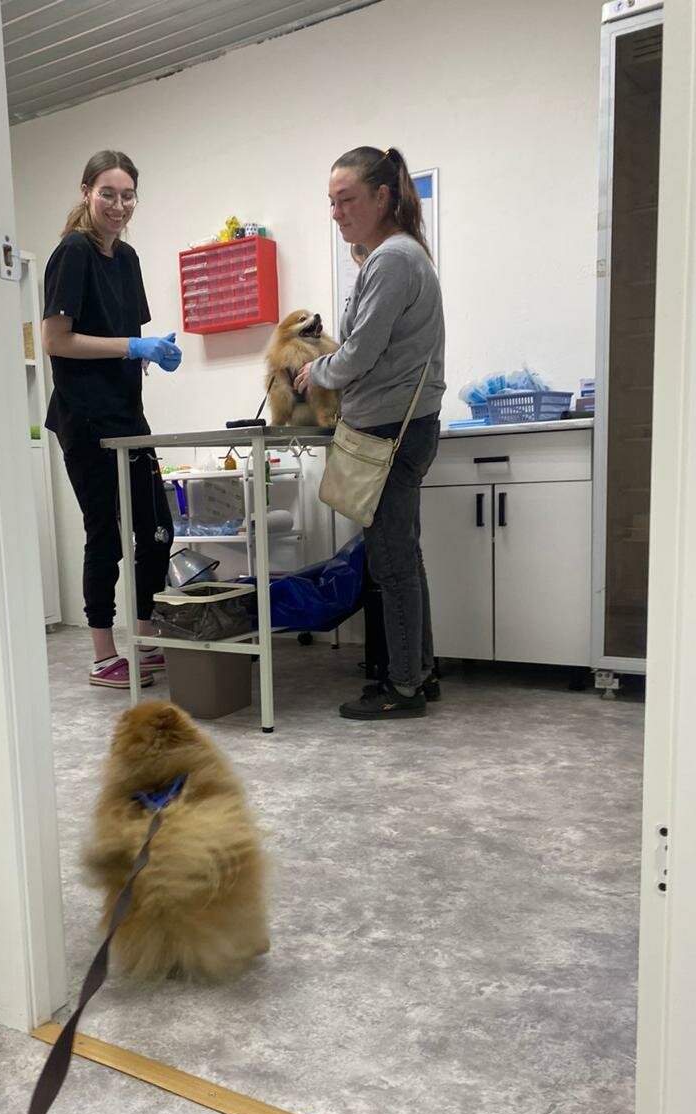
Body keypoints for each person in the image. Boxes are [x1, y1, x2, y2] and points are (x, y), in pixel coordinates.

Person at [295, 146, 446, 721]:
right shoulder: (395, 255)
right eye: (331, 202)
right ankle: (419, 671)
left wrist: (318, 371)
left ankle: (402, 688)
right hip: (403, 425)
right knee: (403, 555)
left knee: (391, 562)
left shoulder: (392, 260)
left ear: (382, 197)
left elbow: (359, 352)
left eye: (347, 200)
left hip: (388, 431)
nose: (336, 212)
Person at [41, 149, 181, 690]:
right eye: (108, 194)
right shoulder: (72, 253)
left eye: (127, 195)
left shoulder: (128, 258)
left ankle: (144, 641)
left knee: (158, 529)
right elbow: (56, 341)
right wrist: (131, 347)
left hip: (127, 414)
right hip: (85, 418)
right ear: (86, 193)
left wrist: (150, 351)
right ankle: (104, 655)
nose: (119, 205)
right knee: (106, 535)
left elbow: (124, 335)